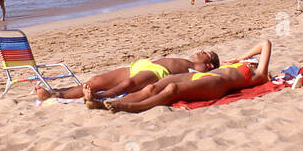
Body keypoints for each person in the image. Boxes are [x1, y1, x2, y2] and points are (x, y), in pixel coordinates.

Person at [88, 39, 273, 113]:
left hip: (218, 83)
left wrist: (244, 58)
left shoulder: (259, 75)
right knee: (153, 87)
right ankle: (100, 102)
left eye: (254, 61)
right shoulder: (235, 64)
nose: (252, 61)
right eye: (252, 60)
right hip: (201, 77)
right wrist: (240, 59)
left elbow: (266, 43)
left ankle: (130, 106)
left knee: (172, 89)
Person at [38, 50, 221, 102]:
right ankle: (55, 93)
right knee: (95, 81)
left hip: (158, 73)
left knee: (128, 84)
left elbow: (220, 73)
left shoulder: (201, 70)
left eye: (207, 53)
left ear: (210, 64)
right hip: (143, 64)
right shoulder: (194, 62)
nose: (202, 51)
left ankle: (98, 97)